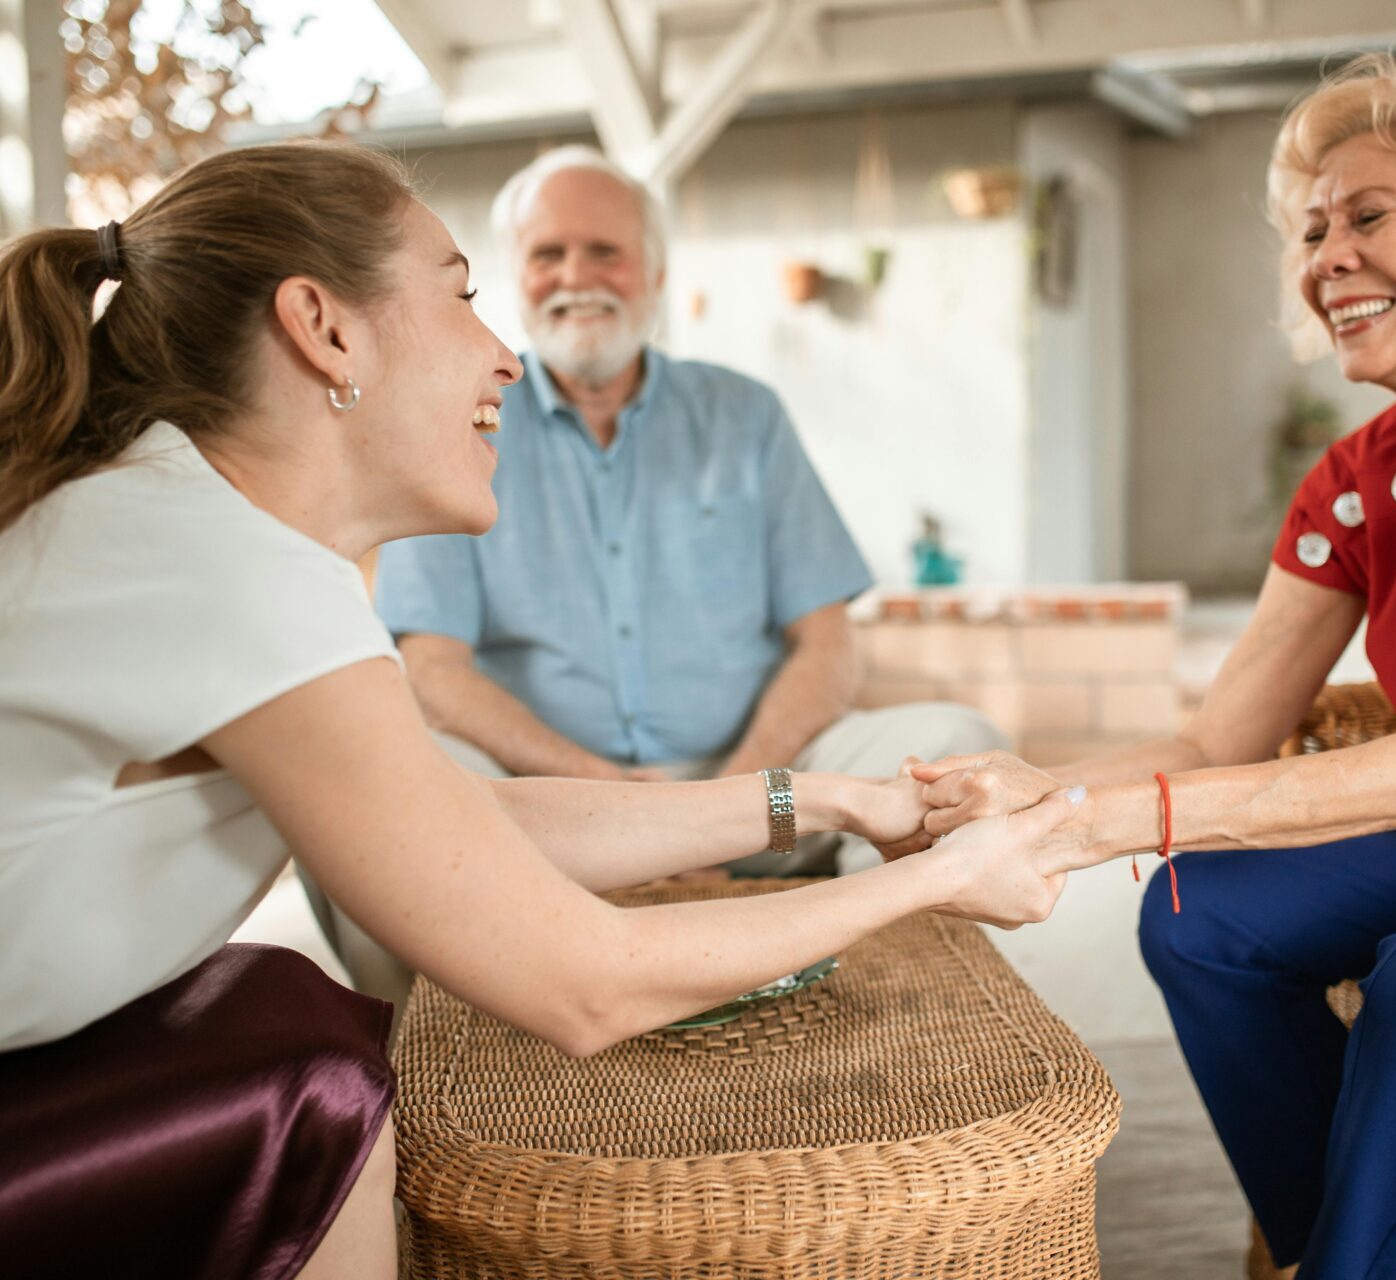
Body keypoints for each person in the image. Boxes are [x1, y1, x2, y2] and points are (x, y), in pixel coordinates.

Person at [0, 140, 1081, 1280]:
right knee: (315, 1068)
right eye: (464, 294)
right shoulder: (225, 567)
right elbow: (587, 979)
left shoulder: (183, 520)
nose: (504, 354)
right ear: (324, 329)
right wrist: (938, 876)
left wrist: (828, 797)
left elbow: (464, 821)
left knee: (295, 1019)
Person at [906, 55, 1396, 1280]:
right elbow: (1215, 739)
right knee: (1196, 914)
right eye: (1311, 228)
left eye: (1368, 216)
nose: (1323, 255)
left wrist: (1095, 824)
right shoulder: (1359, 477)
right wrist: (1037, 789)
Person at [371, 145, 1005, 876]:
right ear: (517, 275)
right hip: (553, 805)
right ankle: (441, 997)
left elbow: (828, 643)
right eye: (549, 254)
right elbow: (432, 667)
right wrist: (606, 789)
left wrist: (733, 798)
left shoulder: (745, 416)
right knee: (382, 786)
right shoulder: (458, 424)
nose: (575, 277)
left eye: (604, 251)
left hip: (765, 794)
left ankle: (878, 978)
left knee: (957, 745)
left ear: (657, 274)